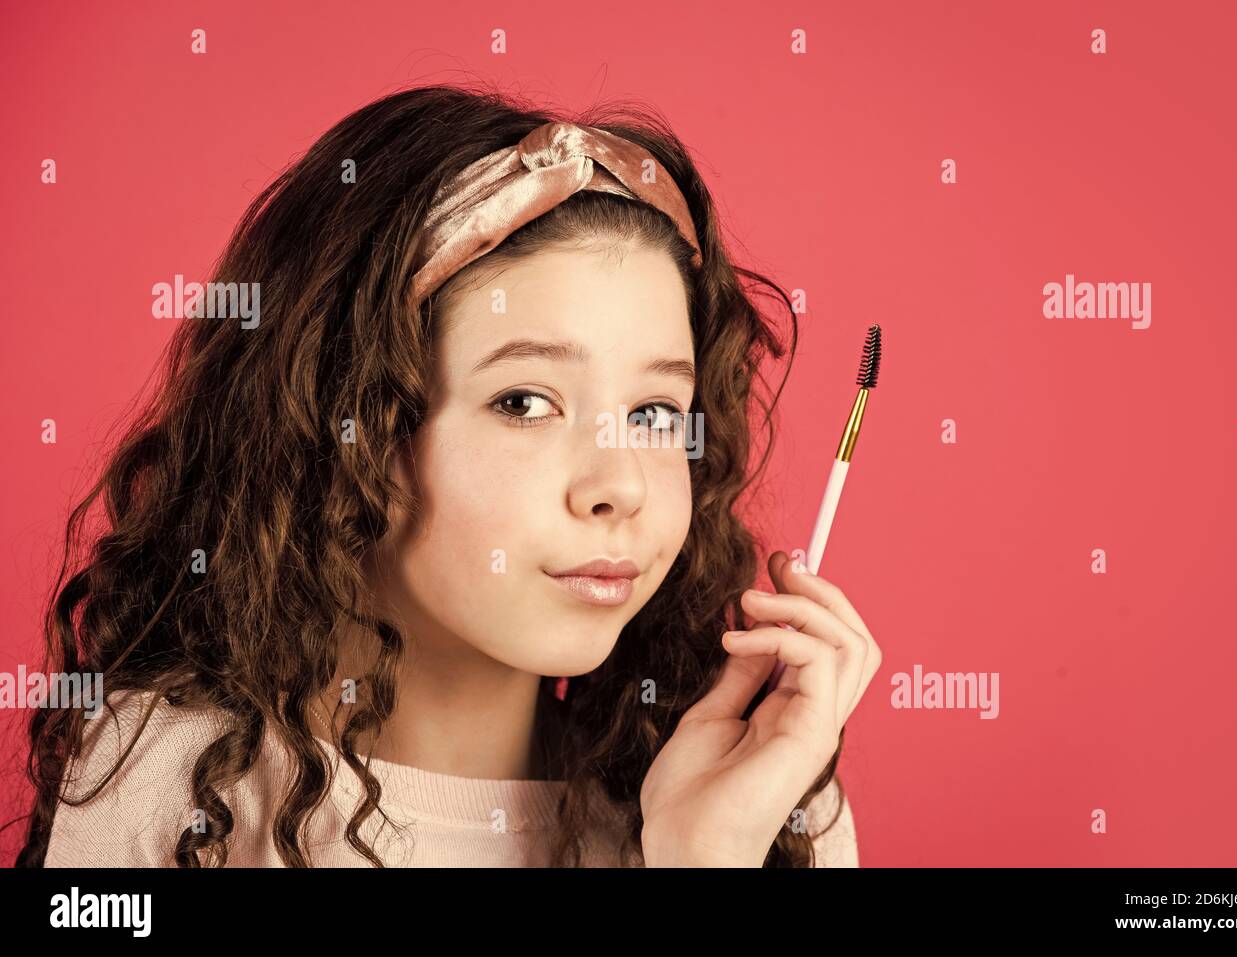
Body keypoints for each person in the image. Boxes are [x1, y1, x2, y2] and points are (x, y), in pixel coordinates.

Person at [11, 82, 882, 868]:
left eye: (656, 413)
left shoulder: (767, 806)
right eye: (524, 402)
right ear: (351, 426)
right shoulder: (174, 787)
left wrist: (707, 856)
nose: (623, 486)